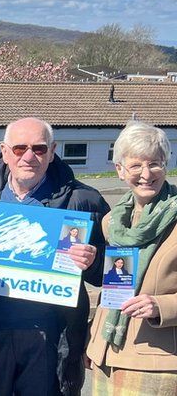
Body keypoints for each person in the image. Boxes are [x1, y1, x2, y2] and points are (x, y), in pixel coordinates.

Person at [0, 117, 108, 396]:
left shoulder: (85, 200)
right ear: (3, 151)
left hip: (49, 335)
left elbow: (115, 274)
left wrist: (94, 261)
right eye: (19, 148)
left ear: (52, 151)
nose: (28, 157)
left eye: (38, 149)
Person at [87, 121, 177, 394]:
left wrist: (161, 306)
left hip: (156, 362)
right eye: (136, 165)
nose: (146, 174)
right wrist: (92, 341)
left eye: (155, 164)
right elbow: (114, 286)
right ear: (120, 170)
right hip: (106, 354)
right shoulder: (112, 222)